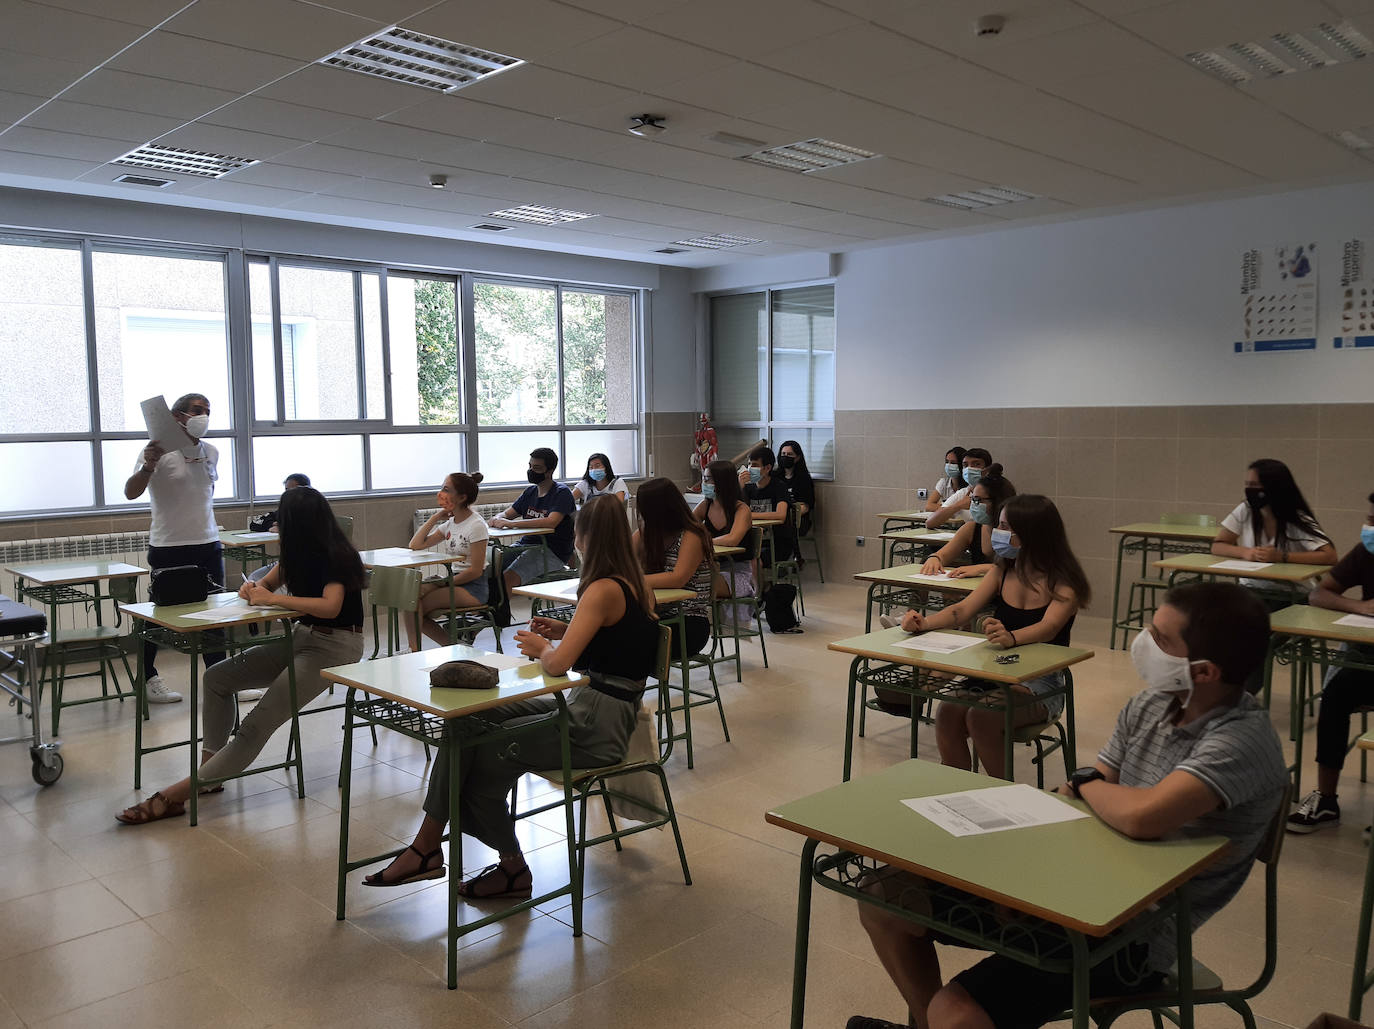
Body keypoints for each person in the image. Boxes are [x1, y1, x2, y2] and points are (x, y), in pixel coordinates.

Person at [848, 582, 1287, 1029]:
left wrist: (1087, 783)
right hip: (1071, 887)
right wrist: (1020, 878)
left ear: (1205, 672)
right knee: (883, 897)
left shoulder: (1242, 741)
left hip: (1131, 934)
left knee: (955, 1014)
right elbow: (1083, 796)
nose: (1144, 642)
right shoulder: (1152, 703)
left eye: (1160, 638)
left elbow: (1140, 816)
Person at [361, 495, 659, 896]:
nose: (575, 542)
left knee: (480, 758)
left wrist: (543, 647)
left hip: (595, 725)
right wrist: (564, 632)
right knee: (467, 719)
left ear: (587, 538)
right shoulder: (634, 584)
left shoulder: (602, 589)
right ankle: (429, 846)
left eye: (577, 534)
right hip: (596, 708)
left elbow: (557, 666)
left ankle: (504, 865)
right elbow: (617, 642)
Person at [115, 487, 367, 825]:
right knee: (216, 677)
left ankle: (174, 796)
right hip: (302, 637)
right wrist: (252, 588)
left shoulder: (338, 555)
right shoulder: (298, 553)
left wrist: (273, 600)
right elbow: (265, 585)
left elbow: (330, 606)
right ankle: (210, 774)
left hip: (336, 647)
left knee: (254, 726)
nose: (278, 527)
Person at [890, 495, 1087, 779]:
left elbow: (1049, 627)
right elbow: (962, 610)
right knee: (947, 712)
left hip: (1040, 682)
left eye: (1005, 527)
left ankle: (1000, 792)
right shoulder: (1002, 571)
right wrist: (924, 623)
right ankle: (956, 787)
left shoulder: (1064, 580)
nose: (997, 533)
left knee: (982, 716)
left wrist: (1011, 637)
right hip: (997, 671)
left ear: (1031, 534)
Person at [123, 392, 223, 704]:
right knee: (159, 615)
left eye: (207, 410)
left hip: (208, 543)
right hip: (170, 546)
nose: (203, 416)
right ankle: (147, 677)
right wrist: (148, 466)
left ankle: (221, 679)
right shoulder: (157, 452)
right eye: (197, 410)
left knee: (216, 615)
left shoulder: (211, 451)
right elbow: (130, 492)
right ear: (177, 416)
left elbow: (202, 494)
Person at [1286, 491, 1374, 833]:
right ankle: (1326, 800)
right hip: (1368, 659)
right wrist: (1360, 607)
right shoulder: (1366, 552)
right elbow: (1318, 593)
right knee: (1336, 694)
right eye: (1370, 519)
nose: (1370, 527)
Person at [1211, 458, 1337, 592]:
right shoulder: (1246, 509)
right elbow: (1217, 546)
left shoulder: (1296, 517)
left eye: (1255, 485)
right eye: (1247, 484)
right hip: (1250, 588)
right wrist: (1246, 552)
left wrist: (1282, 557)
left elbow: (1330, 556)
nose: (1249, 490)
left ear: (1273, 487)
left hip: (1291, 591)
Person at [405, 472, 489, 652]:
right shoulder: (451, 523)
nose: (441, 493)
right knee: (409, 597)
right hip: (453, 580)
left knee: (415, 605)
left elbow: (476, 571)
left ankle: (419, 650)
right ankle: (449, 646)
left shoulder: (476, 525)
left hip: (473, 587)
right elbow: (416, 544)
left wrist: (446, 582)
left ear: (462, 497)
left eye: (446, 489)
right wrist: (436, 517)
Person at [634, 477, 714, 659]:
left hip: (689, 621)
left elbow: (678, 578)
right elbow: (621, 559)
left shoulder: (692, 534)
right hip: (658, 615)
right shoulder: (647, 533)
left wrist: (633, 579)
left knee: (626, 643)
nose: (642, 515)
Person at [491, 447, 576, 594]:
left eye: (536, 468)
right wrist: (497, 518)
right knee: (491, 566)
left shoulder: (562, 493)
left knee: (507, 578)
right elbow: (508, 514)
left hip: (552, 551)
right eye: (530, 466)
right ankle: (485, 606)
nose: (531, 470)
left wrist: (511, 524)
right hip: (526, 545)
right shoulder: (530, 492)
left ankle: (500, 608)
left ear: (549, 471)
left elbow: (551, 522)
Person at [694, 458, 754, 601]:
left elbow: (733, 539)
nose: (704, 483)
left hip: (737, 573)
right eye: (704, 478)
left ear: (722, 482)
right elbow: (686, 528)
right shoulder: (705, 505)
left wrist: (706, 541)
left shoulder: (741, 509)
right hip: (713, 568)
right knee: (691, 579)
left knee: (701, 583)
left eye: (708, 479)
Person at [740, 445, 793, 563]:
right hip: (752, 540)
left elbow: (780, 515)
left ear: (767, 468)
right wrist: (740, 488)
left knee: (755, 560)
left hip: (777, 542)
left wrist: (750, 515)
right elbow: (737, 513)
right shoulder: (747, 488)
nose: (750, 468)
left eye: (755, 465)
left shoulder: (779, 486)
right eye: (749, 464)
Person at [926, 448, 994, 528]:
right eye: (965, 465)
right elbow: (930, 522)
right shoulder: (963, 493)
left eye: (976, 464)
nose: (969, 469)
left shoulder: (999, 490)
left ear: (988, 469)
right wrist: (958, 506)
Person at [777, 440, 816, 538]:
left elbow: (806, 506)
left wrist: (788, 515)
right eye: (783, 454)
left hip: (797, 520)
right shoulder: (775, 476)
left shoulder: (804, 479)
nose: (785, 457)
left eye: (789, 454)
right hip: (776, 517)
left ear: (797, 457)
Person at [924, 446, 967, 512]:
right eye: (947, 462)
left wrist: (944, 507)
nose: (949, 465)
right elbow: (929, 506)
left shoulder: (970, 485)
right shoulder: (944, 482)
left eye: (953, 463)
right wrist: (955, 508)